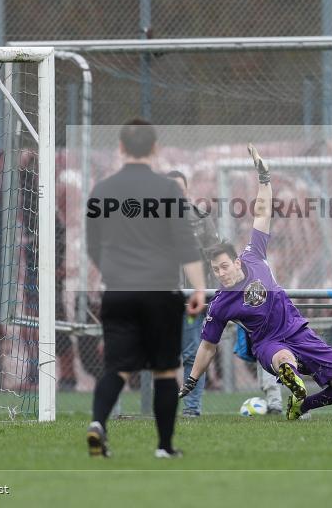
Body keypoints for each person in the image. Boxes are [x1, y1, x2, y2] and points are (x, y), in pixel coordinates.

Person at [179, 144, 332, 420]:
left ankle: (302, 405)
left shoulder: (254, 255)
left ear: (237, 262)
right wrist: (192, 381)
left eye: (223, 266)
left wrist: (264, 179)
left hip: (299, 332)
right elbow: (208, 345)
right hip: (268, 344)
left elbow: (263, 211)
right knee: (284, 361)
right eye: (215, 270)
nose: (220, 273)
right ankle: (290, 378)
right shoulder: (220, 304)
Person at [84, 118, 206, 458]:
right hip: (161, 292)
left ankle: (98, 424)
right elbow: (185, 243)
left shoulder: (102, 190)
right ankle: (165, 447)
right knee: (166, 370)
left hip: (119, 290)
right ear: (155, 148)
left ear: (121, 148)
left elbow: (93, 244)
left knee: (118, 368)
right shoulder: (168, 190)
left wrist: (113, 272)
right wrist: (198, 288)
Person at [166, 170, 220, 417]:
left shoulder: (200, 218)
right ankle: (163, 407)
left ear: (186, 191)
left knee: (191, 353)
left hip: (191, 299)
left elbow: (215, 255)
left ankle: (191, 409)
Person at [233, 326, 284, 414]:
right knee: (262, 381)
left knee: (269, 378)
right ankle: (272, 404)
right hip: (258, 343)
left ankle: (275, 406)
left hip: (269, 340)